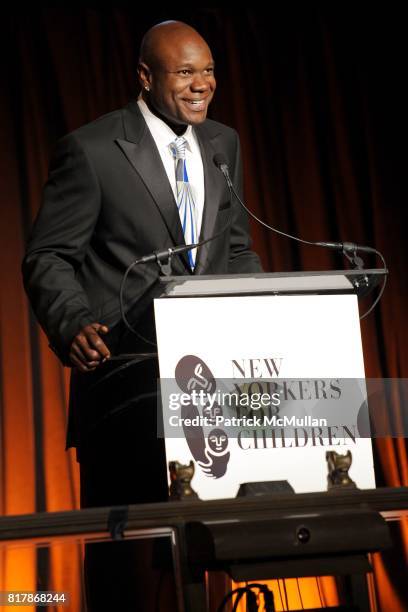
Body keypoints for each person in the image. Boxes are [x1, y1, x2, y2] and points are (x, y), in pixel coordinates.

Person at [22, 20, 262, 611]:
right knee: (129, 574)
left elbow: (233, 249)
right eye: (185, 73)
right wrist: (72, 321)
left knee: (210, 555)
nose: (202, 84)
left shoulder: (222, 145)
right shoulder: (95, 149)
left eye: (208, 72)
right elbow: (50, 255)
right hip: (125, 387)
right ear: (145, 77)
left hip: (210, 390)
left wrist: (263, 311)